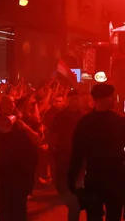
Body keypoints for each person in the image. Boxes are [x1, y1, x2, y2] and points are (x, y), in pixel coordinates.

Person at [68, 84, 125, 221]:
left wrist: (72, 178)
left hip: (98, 178)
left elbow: (77, 154)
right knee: (112, 216)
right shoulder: (120, 123)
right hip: (112, 178)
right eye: (110, 97)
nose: (113, 100)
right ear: (101, 99)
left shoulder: (85, 123)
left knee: (94, 216)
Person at [0, 95, 43, 221]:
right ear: (1, 105)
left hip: (22, 168)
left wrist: (25, 128)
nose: (9, 106)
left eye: (11, 103)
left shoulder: (29, 119)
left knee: (19, 203)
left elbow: (38, 140)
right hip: (3, 167)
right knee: (4, 202)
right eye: (6, 103)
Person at [50, 89, 85, 221]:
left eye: (77, 99)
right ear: (68, 101)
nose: (75, 102)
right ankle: (73, 206)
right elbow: (53, 136)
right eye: (72, 99)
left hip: (79, 161)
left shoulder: (83, 117)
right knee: (62, 187)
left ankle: (74, 211)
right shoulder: (60, 117)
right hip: (63, 159)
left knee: (76, 194)